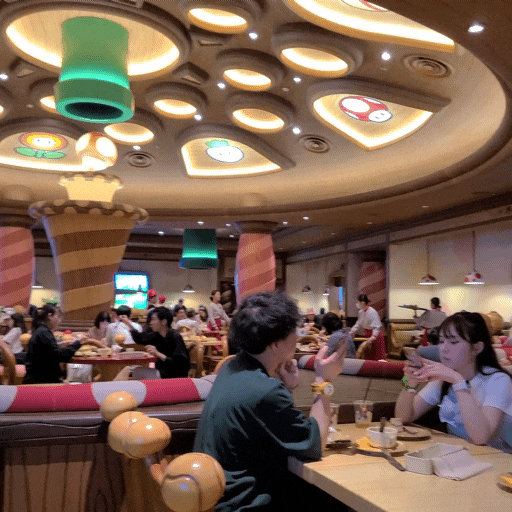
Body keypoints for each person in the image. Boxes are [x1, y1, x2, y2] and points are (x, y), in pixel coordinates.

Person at [194, 291, 346, 511]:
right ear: (275, 343)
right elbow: (315, 445)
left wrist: (285, 386)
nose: (297, 336)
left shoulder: (232, 367)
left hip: (220, 497)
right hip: (247, 503)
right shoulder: (265, 390)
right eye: (294, 331)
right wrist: (324, 380)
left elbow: (274, 426)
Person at [395, 312, 512, 453]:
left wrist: (458, 382)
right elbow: (402, 417)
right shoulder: (444, 379)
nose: (443, 348)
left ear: (477, 348)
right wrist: (409, 383)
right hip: (462, 456)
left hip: (498, 460)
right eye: (441, 341)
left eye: (454, 342)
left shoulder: (498, 380)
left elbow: (480, 438)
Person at [23, 304, 103, 384]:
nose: (60, 320)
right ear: (50, 316)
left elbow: (48, 351)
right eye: (58, 316)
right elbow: (61, 356)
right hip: (42, 382)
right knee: (81, 382)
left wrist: (59, 345)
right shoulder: (44, 333)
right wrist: (78, 343)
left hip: (40, 378)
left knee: (80, 375)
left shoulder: (41, 330)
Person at [119, 306, 190, 378]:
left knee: (138, 372)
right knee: (137, 371)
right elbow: (140, 339)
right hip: (162, 371)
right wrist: (128, 324)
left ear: (164, 321)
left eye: (153, 319)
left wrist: (158, 353)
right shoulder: (157, 335)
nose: (151, 323)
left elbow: (181, 364)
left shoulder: (175, 336)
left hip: (175, 374)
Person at [349, 294, 386, 360]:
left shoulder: (372, 312)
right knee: (368, 355)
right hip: (368, 334)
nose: (357, 304)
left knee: (377, 356)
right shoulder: (361, 312)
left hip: (376, 335)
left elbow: (376, 326)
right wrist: (351, 331)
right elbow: (358, 324)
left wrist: (373, 336)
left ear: (363, 303)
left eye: (358, 302)